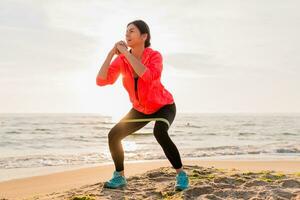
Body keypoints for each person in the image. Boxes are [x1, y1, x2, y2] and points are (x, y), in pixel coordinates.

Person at [96, 19, 189, 191]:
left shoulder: (154, 56)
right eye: (126, 31)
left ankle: (181, 175)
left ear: (144, 36)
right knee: (114, 135)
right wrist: (111, 54)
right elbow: (101, 81)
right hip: (140, 109)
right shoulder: (121, 61)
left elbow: (148, 76)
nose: (127, 34)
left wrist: (126, 53)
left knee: (159, 132)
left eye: (132, 31)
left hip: (163, 106)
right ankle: (119, 177)